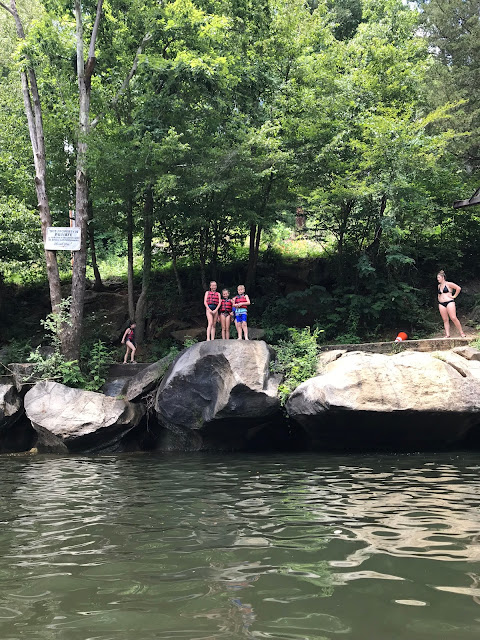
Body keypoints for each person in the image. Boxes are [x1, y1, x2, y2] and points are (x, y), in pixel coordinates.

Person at [437, 270, 466, 338]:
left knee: (453, 317)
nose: (438, 279)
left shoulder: (448, 284)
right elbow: (439, 294)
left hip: (449, 301)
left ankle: (461, 332)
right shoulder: (439, 286)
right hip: (441, 303)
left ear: (443, 277)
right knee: (445, 319)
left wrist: (454, 296)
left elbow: (458, 288)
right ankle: (447, 334)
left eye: (439, 277)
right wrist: (439, 299)